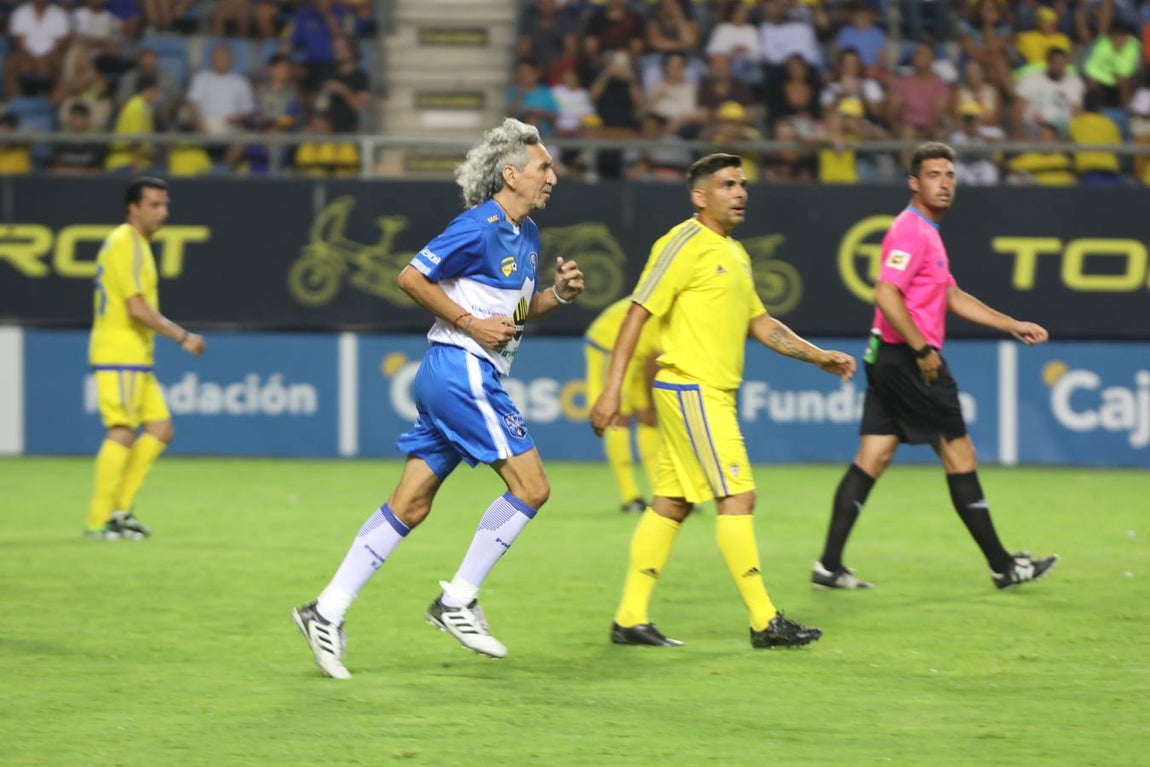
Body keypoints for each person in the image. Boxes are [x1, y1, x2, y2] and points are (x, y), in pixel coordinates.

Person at [292, 118, 584, 679]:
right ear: (511, 174)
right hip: (461, 371)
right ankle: (458, 600)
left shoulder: (526, 236)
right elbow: (410, 277)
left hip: (457, 373)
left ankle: (324, 610)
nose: (553, 175)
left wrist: (555, 296)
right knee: (533, 487)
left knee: (411, 504)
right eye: (544, 166)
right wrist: (470, 323)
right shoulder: (476, 226)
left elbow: (513, 319)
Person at [589, 153, 856, 650]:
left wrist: (817, 356)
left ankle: (629, 618)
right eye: (727, 184)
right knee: (737, 496)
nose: (739, 193)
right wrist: (611, 389)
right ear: (699, 195)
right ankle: (763, 620)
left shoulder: (734, 253)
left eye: (742, 184)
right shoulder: (681, 243)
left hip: (707, 393)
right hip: (693, 389)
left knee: (671, 503)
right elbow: (637, 313)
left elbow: (761, 323)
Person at [812, 142, 1059, 592]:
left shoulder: (927, 232)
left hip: (886, 355)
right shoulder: (910, 230)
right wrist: (924, 349)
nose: (943, 183)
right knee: (959, 454)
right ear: (914, 182)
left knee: (873, 456)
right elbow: (886, 293)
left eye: (949, 175)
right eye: (933, 175)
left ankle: (828, 566)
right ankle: (1003, 566)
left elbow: (950, 295)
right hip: (910, 360)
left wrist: (1011, 324)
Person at [85, 177, 207, 540]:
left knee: (160, 428)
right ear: (132, 208)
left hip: (134, 355)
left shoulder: (134, 243)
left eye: (165, 205)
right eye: (154, 205)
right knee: (121, 431)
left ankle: (119, 510)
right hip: (119, 352)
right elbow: (136, 307)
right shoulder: (127, 242)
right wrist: (182, 337)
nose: (162, 212)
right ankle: (98, 520)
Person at [584, 297, 661, 513]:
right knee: (618, 416)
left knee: (648, 417)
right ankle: (630, 497)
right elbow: (655, 360)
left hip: (639, 351)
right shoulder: (674, 311)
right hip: (610, 342)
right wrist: (652, 404)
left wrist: (650, 408)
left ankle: (662, 495)